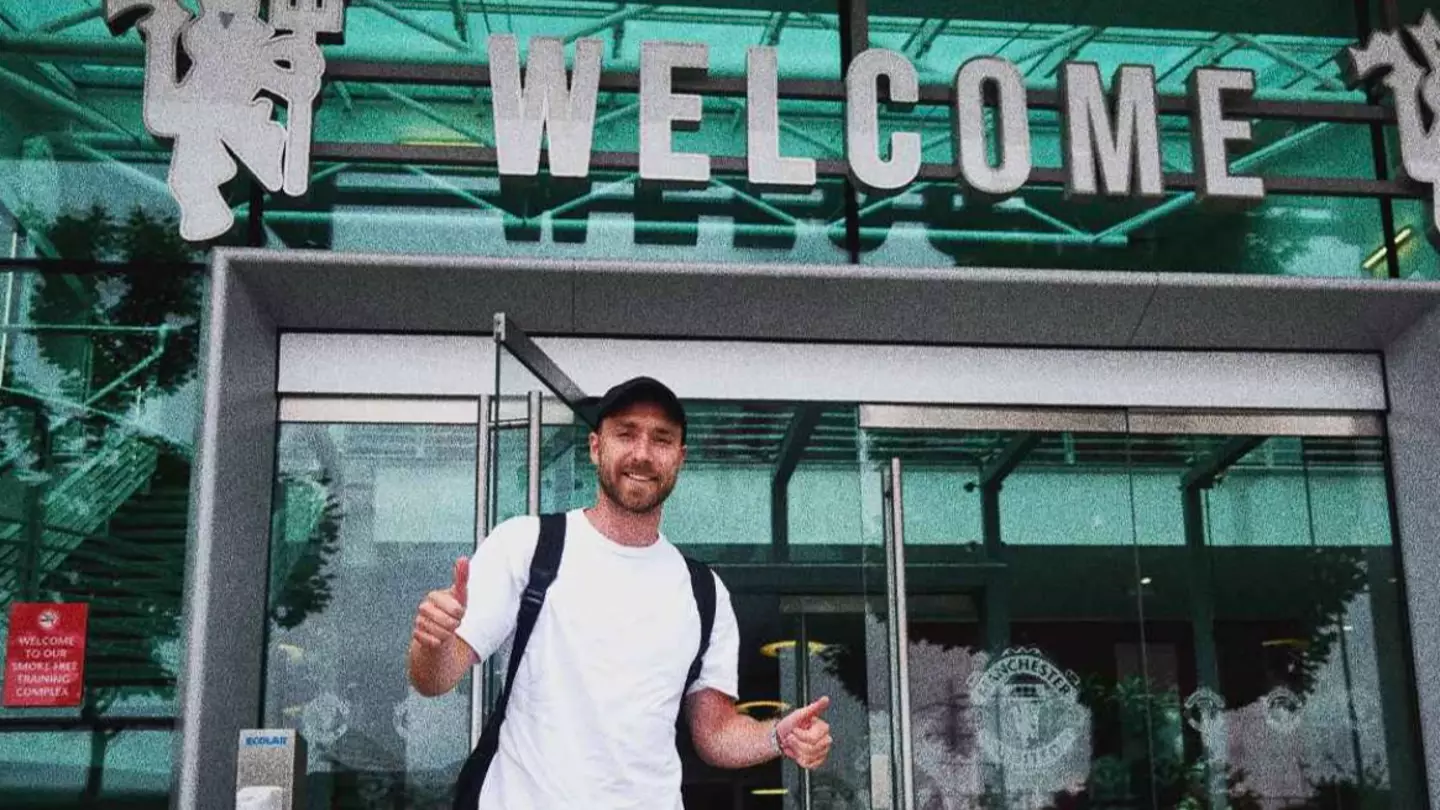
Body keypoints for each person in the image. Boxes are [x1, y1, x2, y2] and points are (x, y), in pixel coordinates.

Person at [406, 376, 833, 808]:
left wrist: (777, 736)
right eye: (625, 434)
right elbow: (434, 679)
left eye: (661, 439)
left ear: (679, 458)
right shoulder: (528, 546)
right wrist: (431, 643)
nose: (642, 453)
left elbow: (715, 734)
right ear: (596, 447)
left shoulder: (704, 592)